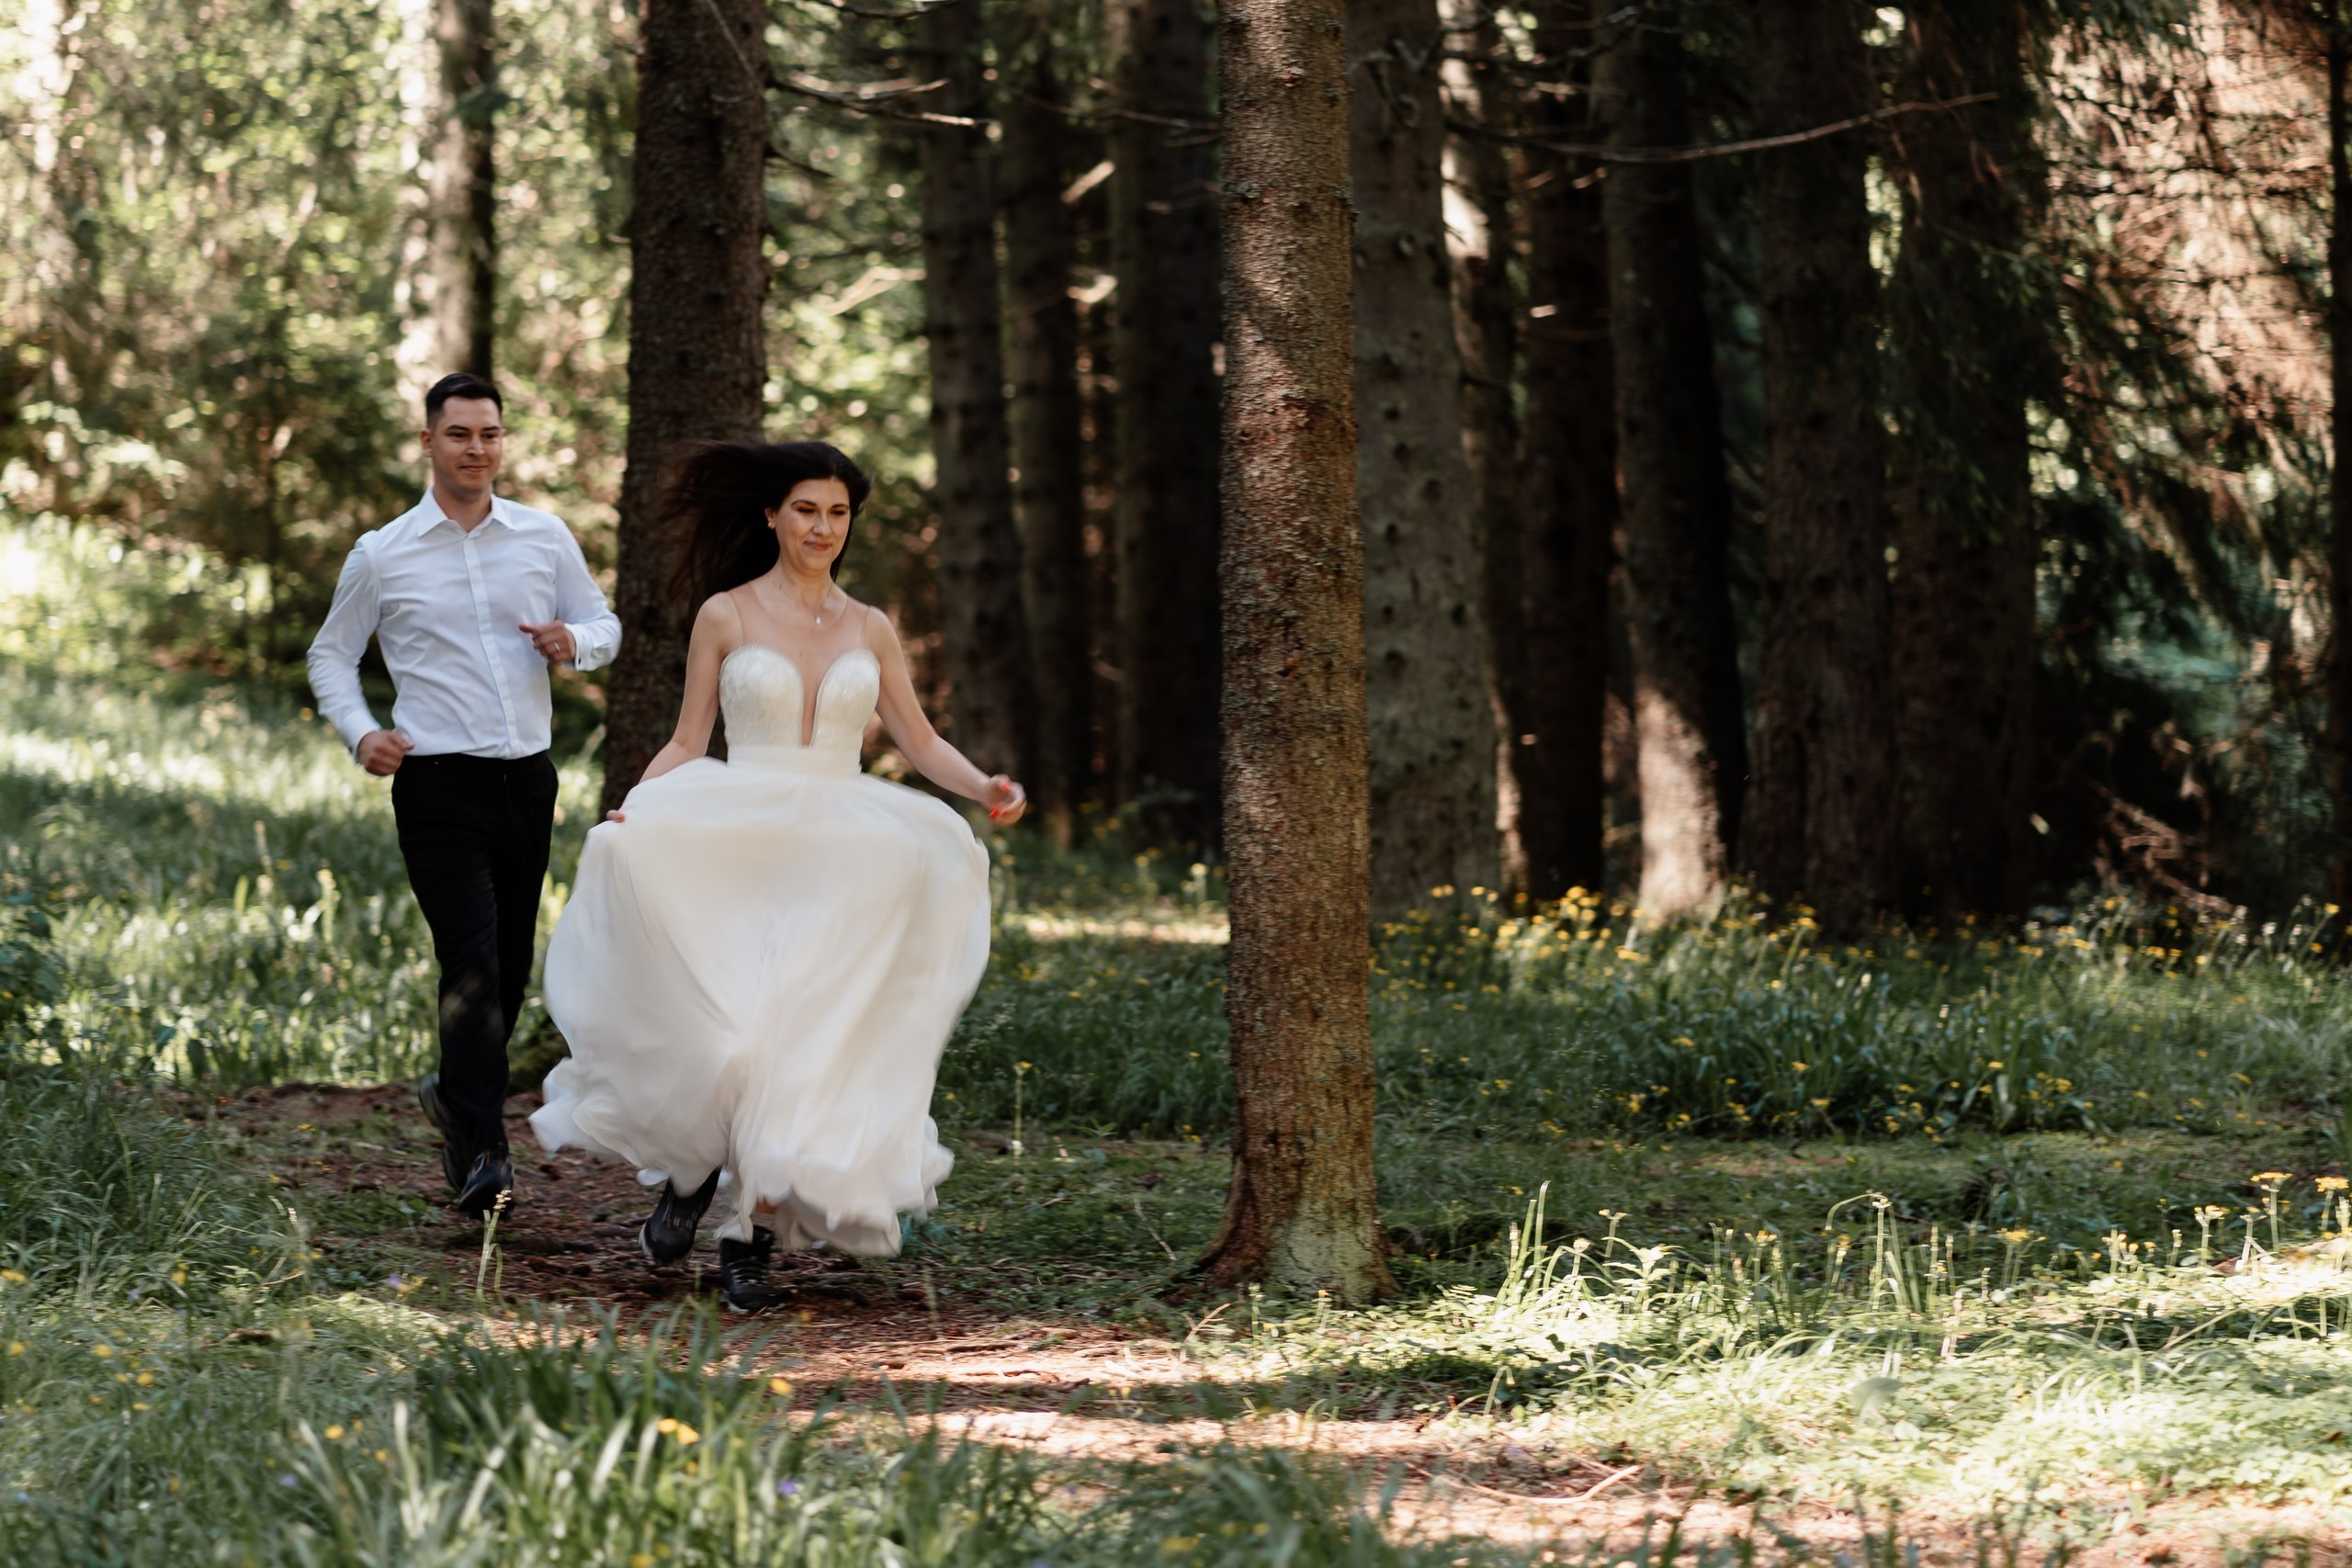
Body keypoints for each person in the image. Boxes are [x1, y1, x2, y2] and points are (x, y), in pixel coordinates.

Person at [531, 440, 1023, 1314]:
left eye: (836, 513)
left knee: (804, 1045)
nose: (822, 528)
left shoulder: (870, 625)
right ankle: (688, 1176)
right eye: (806, 509)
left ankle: (747, 1239)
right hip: (740, 841)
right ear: (771, 516)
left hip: (844, 853)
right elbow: (689, 741)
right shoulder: (725, 614)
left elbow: (916, 739)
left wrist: (983, 784)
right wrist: (638, 807)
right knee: (734, 1036)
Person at [306, 372, 621, 1219]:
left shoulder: (544, 537)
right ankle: (483, 1151)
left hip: (528, 779)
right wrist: (360, 731)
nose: (476, 449)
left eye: (489, 434)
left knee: (510, 964)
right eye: (459, 434)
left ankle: (454, 1092)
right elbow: (330, 655)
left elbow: (606, 624)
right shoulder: (383, 551)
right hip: (436, 782)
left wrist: (573, 642)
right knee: (472, 960)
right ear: (429, 443)